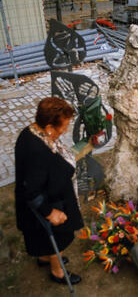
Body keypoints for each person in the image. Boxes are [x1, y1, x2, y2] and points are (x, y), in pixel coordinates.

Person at [15, 97, 84, 284]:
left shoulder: (31, 131)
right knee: (58, 236)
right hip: (49, 203)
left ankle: (45, 258)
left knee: (43, 238)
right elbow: (31, 190)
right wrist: (49, 212)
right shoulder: (36, 151)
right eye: (64, 126)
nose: (66, 130)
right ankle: (57, 272)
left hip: (53, 193)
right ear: (49, 128)